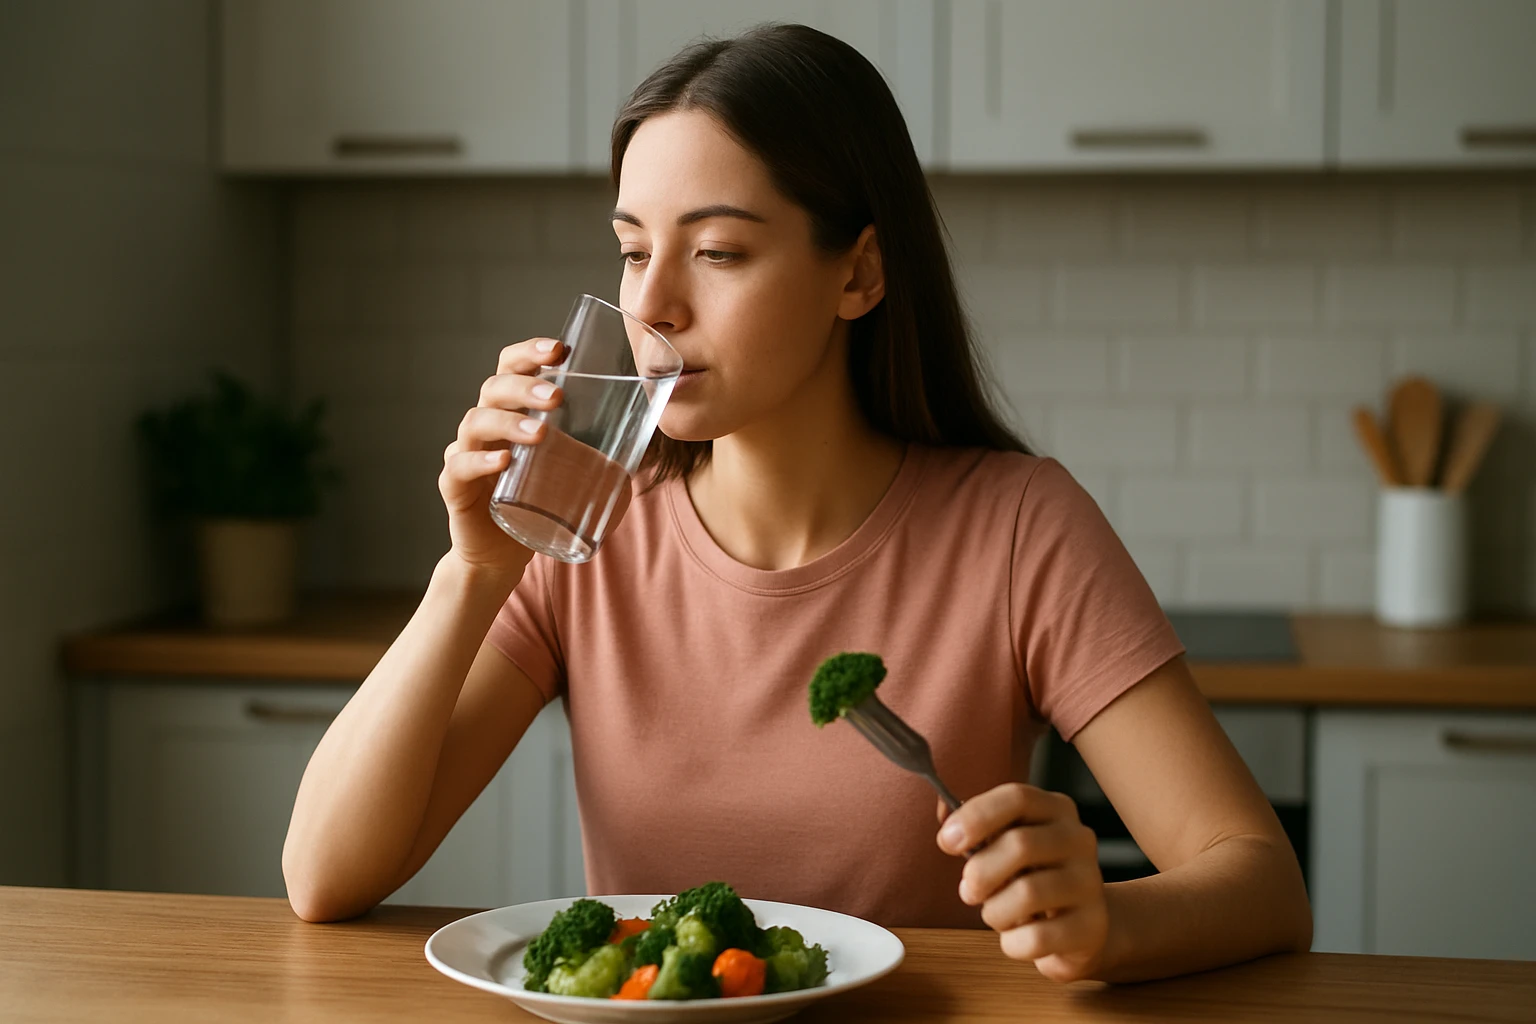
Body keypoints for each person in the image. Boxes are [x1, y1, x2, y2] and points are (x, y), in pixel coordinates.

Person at [283, 24, 1311, 984]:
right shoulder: (589, 531)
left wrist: (1109, 923)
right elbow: (323, 876)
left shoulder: (1018, 527)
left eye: (717, 251)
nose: (649, 305)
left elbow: (1261, 878)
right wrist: (473, 569)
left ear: (857, 272)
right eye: (634, 249)